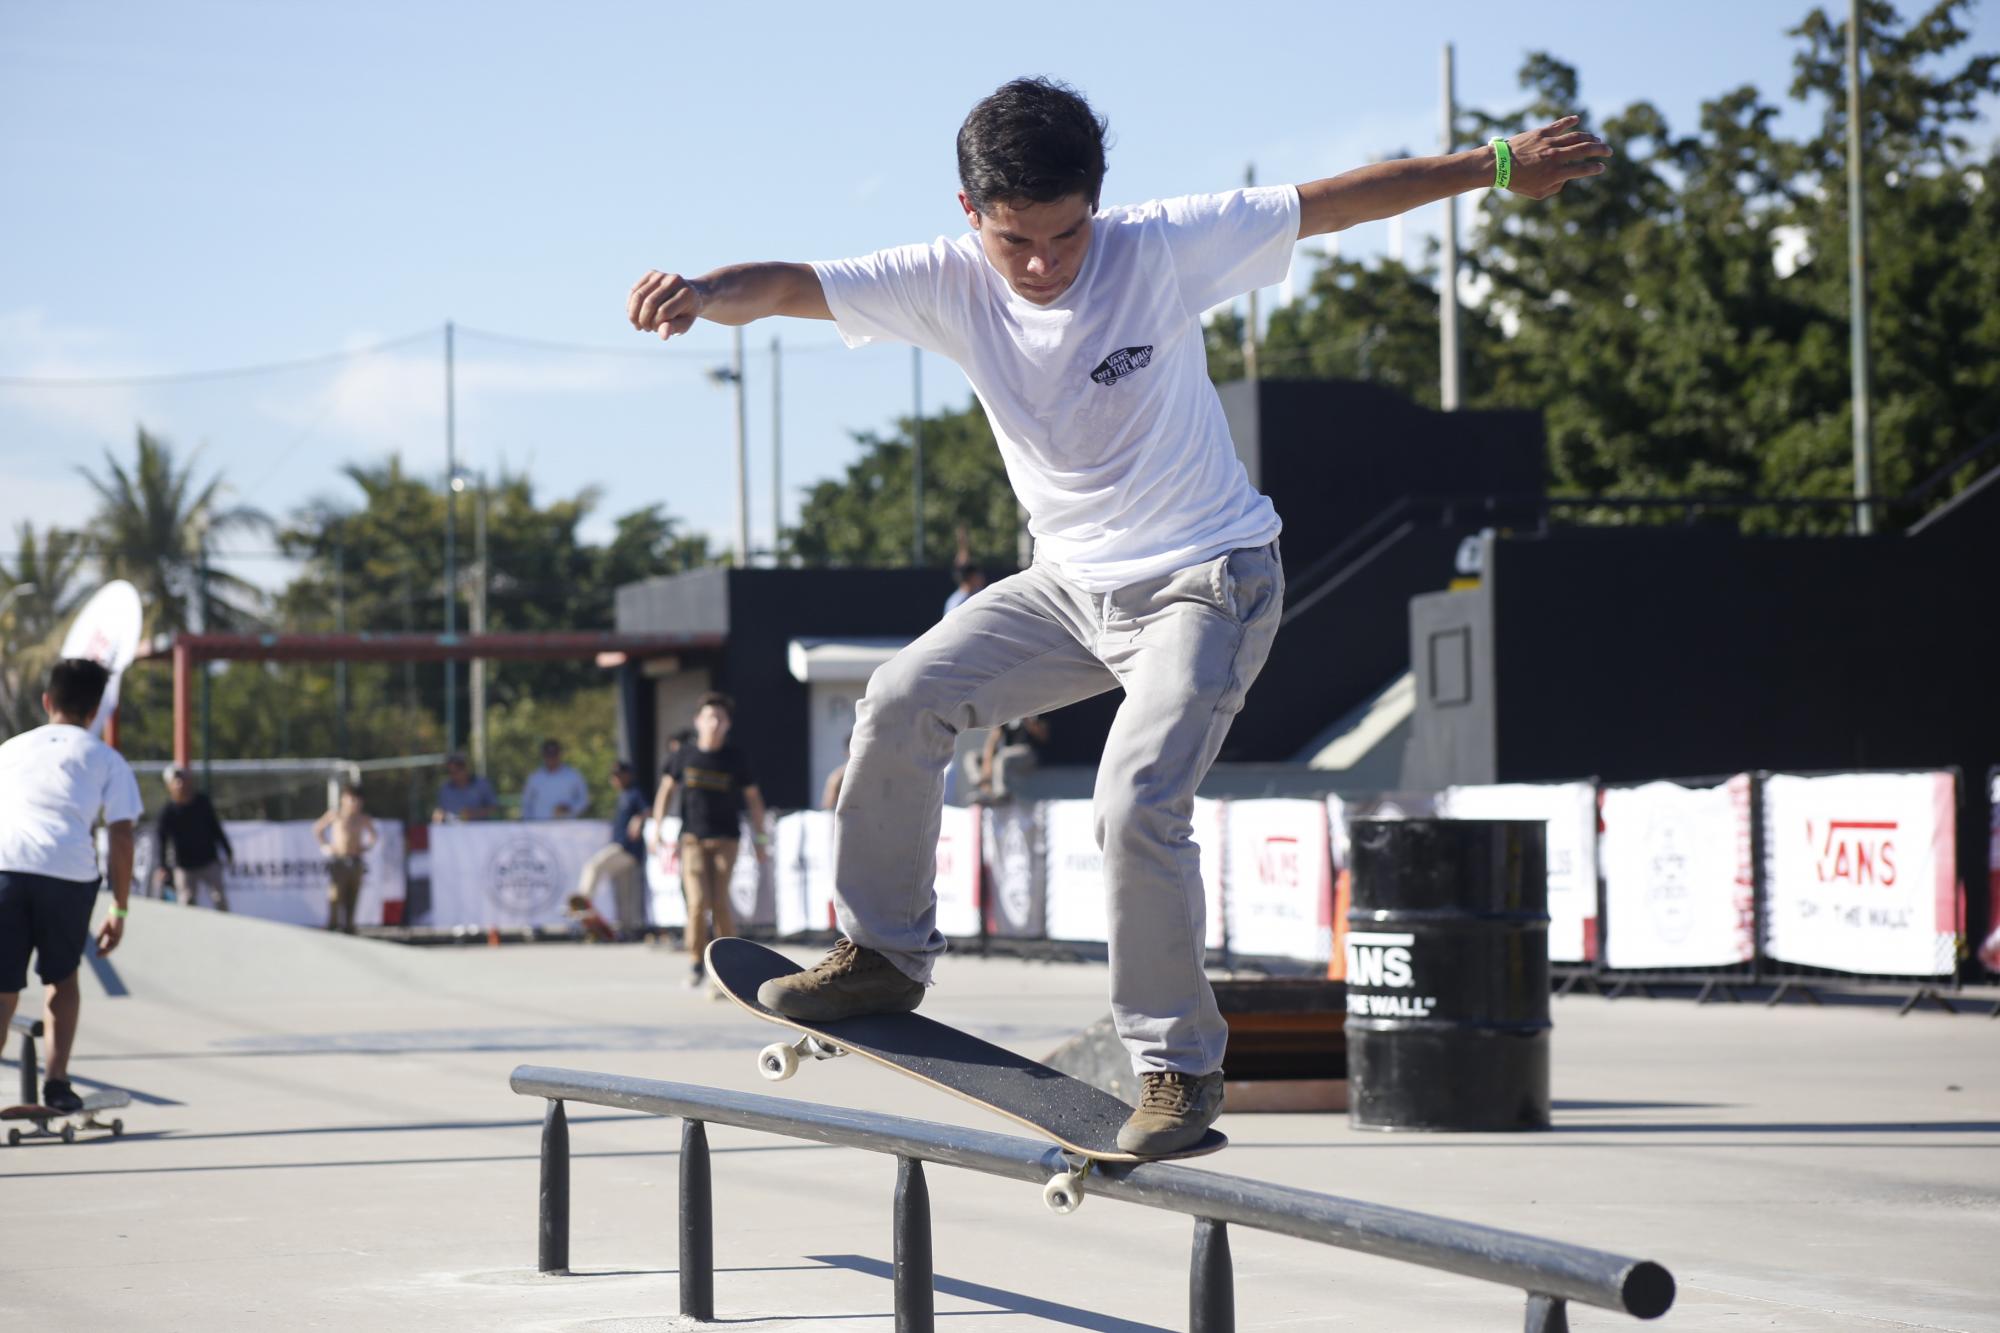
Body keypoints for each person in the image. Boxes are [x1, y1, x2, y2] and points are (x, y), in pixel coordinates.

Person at [626, 77, 1609, 1152]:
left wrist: (1496, 165)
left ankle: (1177, 1070)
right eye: (1016, 243)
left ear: (1098, 202)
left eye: (1064, 235)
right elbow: (790, 284)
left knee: (1134, 798)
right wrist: (701, 289)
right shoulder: (943, 281)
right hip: (1065, 589)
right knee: (900, 696)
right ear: (969, 213)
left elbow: (1341, 199)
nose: (1044, 265)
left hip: (1209, 578)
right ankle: (883, 957)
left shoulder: (1162, 246)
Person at [0, 659, 141, 1115]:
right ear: (96, 709)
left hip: (5, 866)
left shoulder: (10, 749)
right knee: (61, 978)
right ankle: (57, 1084)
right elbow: (121, 836)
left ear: (47, 702)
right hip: (67, 872)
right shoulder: (105, 758)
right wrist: (119, 909)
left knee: (3, 988)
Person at [650, 693, 769, 987]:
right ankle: (695, 961)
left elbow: (754, 800)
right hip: (691, 840)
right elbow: (666, 791)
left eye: (720, 718)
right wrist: (657, 827)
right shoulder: (684, 756)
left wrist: (761, 838)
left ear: (728, 724)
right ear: (698, 721)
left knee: (719, 903)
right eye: (709, 717)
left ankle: (729, 965)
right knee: (697, 902)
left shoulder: (735, 758)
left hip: (726, 840)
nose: (714, 723)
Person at [576, 761, 649, 938]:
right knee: (623, 892)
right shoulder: (622, 795)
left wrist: (639, 818)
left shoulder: (634, 793)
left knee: (594, 865)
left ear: (627, 775)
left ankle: (582, 903)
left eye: (619, 775)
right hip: (625, 851)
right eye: (613, 776)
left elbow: (649, 809)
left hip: (626, 849)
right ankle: (626, 928)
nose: (615, 779)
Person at [155, 766, 233, 910]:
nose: (181, 784)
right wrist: (162, 866)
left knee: (219, 898)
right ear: (169, 786)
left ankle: (226, 929)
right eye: (176, 781)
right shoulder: (167, 812)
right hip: (184, 865)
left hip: (208, 860)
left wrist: (227, 850)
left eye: (183, 779)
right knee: (186, 901)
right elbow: (161, 841)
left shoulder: (202, 802)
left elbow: (216, 828)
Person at [313, 785, 378, 934]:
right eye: (352, 799)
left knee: (352, 896)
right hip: (339, 860)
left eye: (358, 800)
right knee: (335, 895)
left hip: (356, 861)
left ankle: (349, 926)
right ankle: (332, 924)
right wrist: (326, 847)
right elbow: (317, 829)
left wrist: (366, 847)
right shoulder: (335, 815)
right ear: (344, 799)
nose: (356, 803)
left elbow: (374, 836)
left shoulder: (362, 818)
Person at [976, 714, 1050, 803]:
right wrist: (987, 762)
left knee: (1003, 757)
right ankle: (984, 790)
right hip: (1007, 753)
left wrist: (1027, 720)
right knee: (973, 758)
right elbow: (993, 739)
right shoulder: (1007, 714)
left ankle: (1002, 794)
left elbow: (1043, 736)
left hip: (1028, 753)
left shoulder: (1035, 712)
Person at [520, 739, 589, 821]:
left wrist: (570, 809)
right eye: (548, 755)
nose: (551, 759)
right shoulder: (535, 777)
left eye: (554, 754)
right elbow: (526, 802)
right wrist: (528, 823)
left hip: (566, 827)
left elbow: (584, 799)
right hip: (539, 827)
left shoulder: (573, 775)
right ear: (543, 755)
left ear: (560, 754)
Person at [433, 752, 499, 822]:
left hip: (481, 830)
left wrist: (474, 814)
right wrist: (438, 816)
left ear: (465, 769)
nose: (454, 776)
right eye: (450, 772)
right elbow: (441, 811)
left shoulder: (482, 784)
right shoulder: (445, 789)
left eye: (456, 771)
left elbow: (495, 809)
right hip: (453, 831)